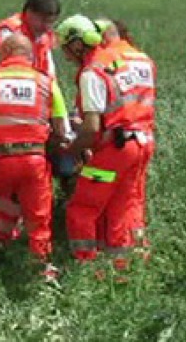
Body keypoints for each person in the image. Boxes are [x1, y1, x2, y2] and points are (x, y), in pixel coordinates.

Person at [55, 14, 157, 272]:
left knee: (82, 208)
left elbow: (91, 128)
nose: (67, 57)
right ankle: (127, 269)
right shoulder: (141, 60)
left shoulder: (93, 71)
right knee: (126, 208)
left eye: (67, 49)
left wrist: (72, 147)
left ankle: (87, 268)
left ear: (77, 44)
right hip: (143, 143)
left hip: (114, 149)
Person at [0, 34, 66, 278]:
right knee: (38, 218)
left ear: (3, 54)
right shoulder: (46, 82)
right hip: (33, 160)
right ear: (30, 56)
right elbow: (61, 129)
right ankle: (40, 268)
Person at [94, 17, 153, 258]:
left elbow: (97, 106)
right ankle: (140, 253)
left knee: (111, 202)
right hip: (145, 140)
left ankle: (118, 265)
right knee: (134, 199)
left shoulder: (105, 59)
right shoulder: (144, 59)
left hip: (116, 143)